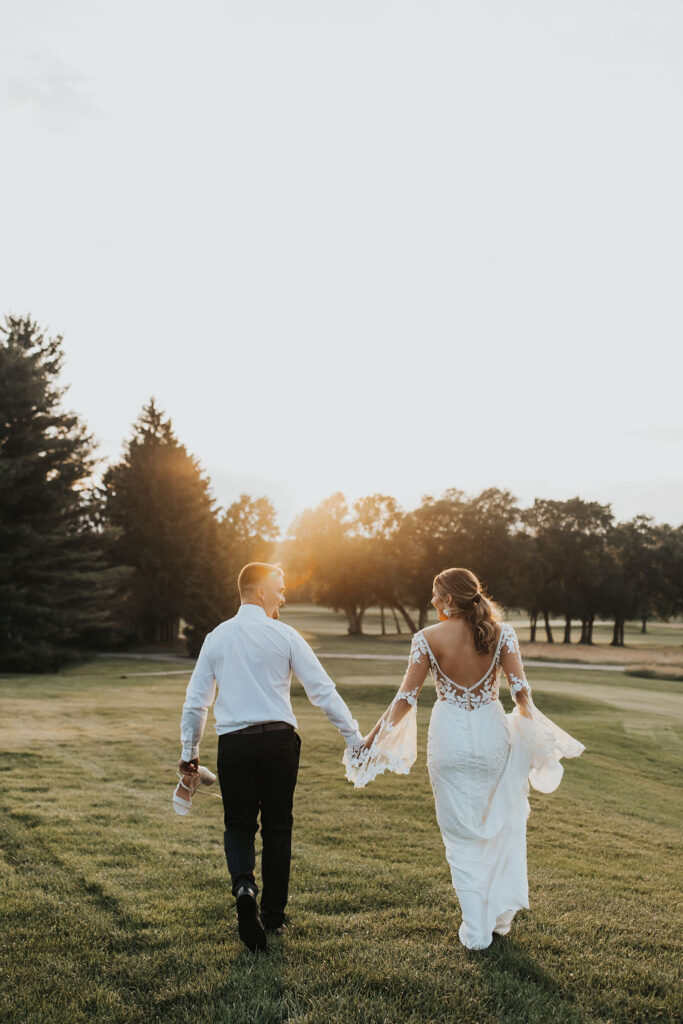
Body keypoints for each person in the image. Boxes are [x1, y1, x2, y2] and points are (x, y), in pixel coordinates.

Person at [343, 567, 585, 951]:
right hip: (492, 740)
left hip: (450, 741)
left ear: (450, 599)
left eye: (436, 595)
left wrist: (372, 740)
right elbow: (521, 692)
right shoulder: (501, 633)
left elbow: (405, 700)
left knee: (460, 837)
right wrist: (537, 731)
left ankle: (475, 931)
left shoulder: (426, 639)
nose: (432, 601)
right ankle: (490, 919)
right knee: (493, 825)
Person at [178, 562, 362, 952]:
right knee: (278, 825)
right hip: (280, 742)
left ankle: (244, 887)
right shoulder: (285, 635)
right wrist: (353, 737)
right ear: (260, 592)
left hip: (234, 744)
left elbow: (197, 703)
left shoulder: (217, 637)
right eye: (279, 588)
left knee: (239, 823)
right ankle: (274, 916)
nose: (284, 595)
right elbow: (322, 692)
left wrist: (189, 753)